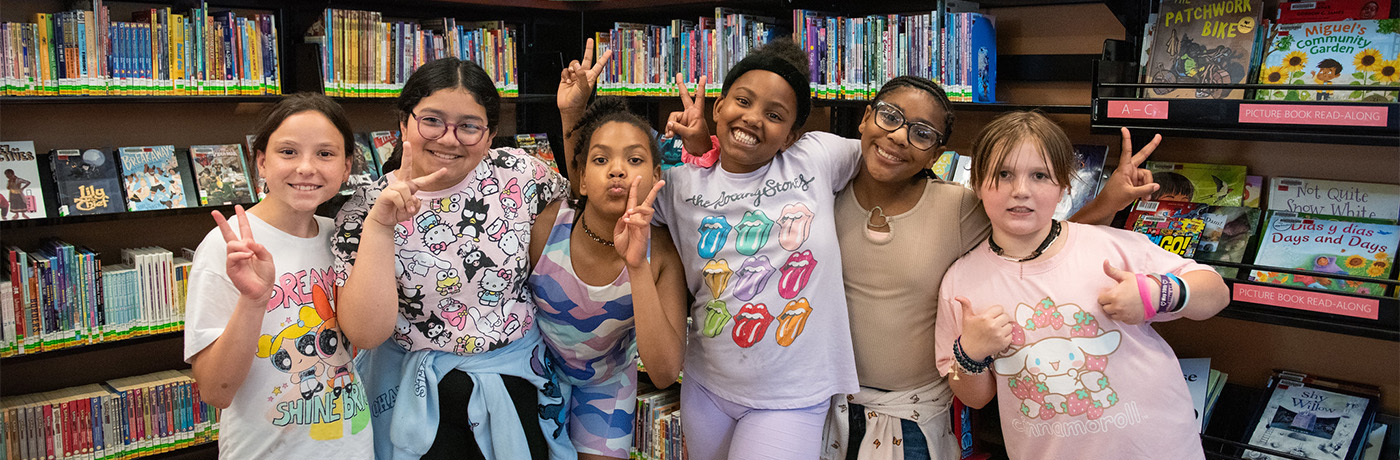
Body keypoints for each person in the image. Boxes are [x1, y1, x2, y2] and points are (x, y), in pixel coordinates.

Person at [821, 77, 1161, 459]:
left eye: (922, 133)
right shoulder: (821, 195)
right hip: (821, 403)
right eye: (890, 117)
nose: (900, 136)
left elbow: (1034, 232)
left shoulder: (958, 208)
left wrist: (1107, 202)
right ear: (865, 119)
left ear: (936, 153)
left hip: (910, 413)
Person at [934, 111, 1230, 460]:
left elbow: (1216, 292)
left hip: (1161, 448)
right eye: (1003, 174)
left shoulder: (1111, 246)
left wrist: (1158, 294)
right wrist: (969, 353)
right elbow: (975, 397)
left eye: (1040, 175)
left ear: (1064, 185)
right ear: (978, 182)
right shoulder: (961, 281)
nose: (1021, 191)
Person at [331, 57, 572, 460]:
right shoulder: (365, 209)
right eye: (432, 120)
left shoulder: (521, 174)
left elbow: (581, 207)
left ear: (491, 133)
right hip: (417, 394)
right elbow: (365, 334)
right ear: (404, 123)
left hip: (517, 381)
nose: (449, 139)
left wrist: (573, 114)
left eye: (469, 126)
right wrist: (380, 226)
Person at [652, 38, 862, 459]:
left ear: (791, 135)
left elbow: (884, 154)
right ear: (718, 107)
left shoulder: (816, 156)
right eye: (742, 101)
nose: (752, 118)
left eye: (774, 115)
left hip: (792, 394)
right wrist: (571, 116)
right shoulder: (678, 184)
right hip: (707, 384)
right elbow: (600, 200)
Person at [182, 92, 372, 458]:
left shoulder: (343, 237)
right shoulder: (229, 246)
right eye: (288, 152)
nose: (306, 167)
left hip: (354, 447)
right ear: (261, 162)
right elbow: (215, 391)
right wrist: (254, 300)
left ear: (347, 167)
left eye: (325, 154)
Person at [528, 97, 688, 460]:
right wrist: (570, 113)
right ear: (581, 179)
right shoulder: (547, 228)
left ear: (657, 178)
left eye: (634, 160)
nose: (617, 170)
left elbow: (663, 373)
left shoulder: (661, 256)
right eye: (601, 160)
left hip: (606, 386)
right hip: (536, 374)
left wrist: (637, 267)